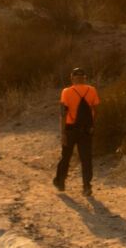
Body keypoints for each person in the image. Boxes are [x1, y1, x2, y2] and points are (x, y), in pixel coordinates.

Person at [54, 66, 99, 196]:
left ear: (72, 79)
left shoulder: (66, 92)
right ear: (84, 78)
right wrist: (92, 124)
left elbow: (63, 114)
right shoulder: (92, 90)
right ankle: (86, 186)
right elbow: (97, 110)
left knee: (66, 156)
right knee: (86, 158)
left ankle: (60, 182)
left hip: (70, 129)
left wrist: (63, 133)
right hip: (86, 130)